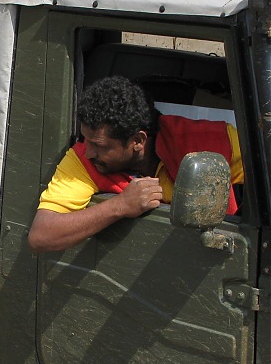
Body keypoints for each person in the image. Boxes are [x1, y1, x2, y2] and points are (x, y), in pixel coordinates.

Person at [27, 75, 243, 253]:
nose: (89, 151)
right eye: (86, 140)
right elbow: (42, 235)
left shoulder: (211, 141)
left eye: (99, 145)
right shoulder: (84, 159)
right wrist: (120, 206)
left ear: (138, 141)